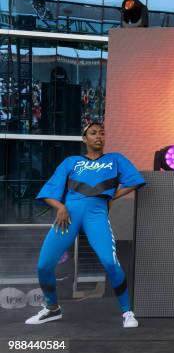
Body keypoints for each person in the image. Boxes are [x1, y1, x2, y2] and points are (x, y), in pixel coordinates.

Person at [25, 122, 146, 328]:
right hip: (68, 216)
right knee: (44, 265)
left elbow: (135, 181)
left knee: (109, 262)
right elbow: (49, 191)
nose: (99, 136)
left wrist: (111, 197)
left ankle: (127, 312)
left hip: (96, 215)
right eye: (93, 133)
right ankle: (52, 309)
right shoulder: (71, 162)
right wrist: (60, 207)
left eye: (102, 133)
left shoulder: (115, 159)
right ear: (85, 138)